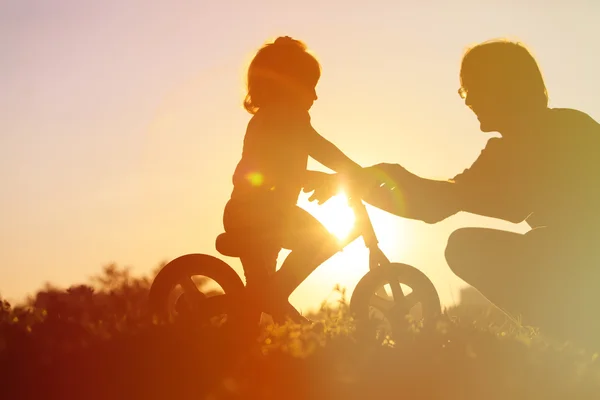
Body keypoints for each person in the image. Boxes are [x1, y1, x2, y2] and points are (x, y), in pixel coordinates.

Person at [308, 39, 600, 348]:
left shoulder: (558, 131)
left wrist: (376, 180)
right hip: (569, 256)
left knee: (466, 247)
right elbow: (438, 204)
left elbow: (445, 202)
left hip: (583, 257)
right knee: (467, 245)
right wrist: (367, 183)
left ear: (501, 86)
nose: (466, 100)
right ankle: (571, 333)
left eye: (470, 88)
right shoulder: (538, 134)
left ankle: (574, 332)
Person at [221, 36, 363, 323]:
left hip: (247, 213)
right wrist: (357, 173)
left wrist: (308, 177)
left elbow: (269, 166)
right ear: (289, 85)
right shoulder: (289, 118)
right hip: (265, 214)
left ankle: (259, 325)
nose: (315, 96)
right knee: (320, 242)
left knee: (259, 291)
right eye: (311, 87)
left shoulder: (266, 119)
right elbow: (321, 149)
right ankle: (275, 303)